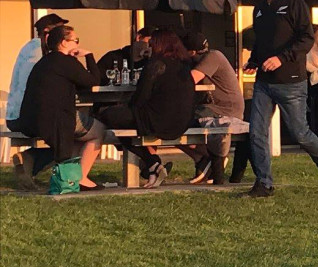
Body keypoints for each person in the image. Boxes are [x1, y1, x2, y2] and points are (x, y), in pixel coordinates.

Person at [243, 0, 318, 197]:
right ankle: (264, 183)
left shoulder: (295, 4)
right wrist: (254, 61)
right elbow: (262, 42)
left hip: (291, 81)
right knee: (256, 132)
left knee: (300, 133)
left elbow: (306, 39)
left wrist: (281, 58)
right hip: (264, 83)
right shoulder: (259, 8)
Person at [97, 28, 197, 187]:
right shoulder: (184, 66)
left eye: (152, 44)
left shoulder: (156, 64)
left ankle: (152, 164)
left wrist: (126, 106)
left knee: (109, 117)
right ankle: (152, 166)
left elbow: (141, 97)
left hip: (158, 120)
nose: (149, 48)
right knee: (123, 122)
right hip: (183, 121)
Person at [15, 23, 107, 190]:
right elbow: (93, 81)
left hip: (30, 118)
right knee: (99, 130)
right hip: (56, 118)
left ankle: (63, 172)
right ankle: (81, 178)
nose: (78, 44)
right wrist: (89, 56)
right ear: (64, 43)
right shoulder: (66, 62)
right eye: (75, 40)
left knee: (77, 135)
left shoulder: (43, 62)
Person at [6, 13, 68, 182]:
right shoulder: (36, 52)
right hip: (25, 117)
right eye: (60, 31)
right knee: (72, 132)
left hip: (19, 115)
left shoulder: (33, 48)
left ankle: (30, 164)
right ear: (47, 32)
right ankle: (30, 159)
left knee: (69, 132)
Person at [181, 32, 245, 185]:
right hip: (211, 108)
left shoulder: (213, 57)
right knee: (173, 124)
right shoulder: (203, 58)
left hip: (225, 110)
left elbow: (190, 80)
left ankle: (208, 159)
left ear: (192, 52)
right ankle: (203, 159)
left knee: (175, 124)